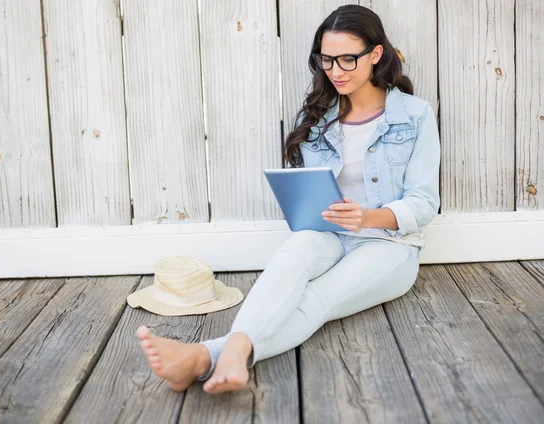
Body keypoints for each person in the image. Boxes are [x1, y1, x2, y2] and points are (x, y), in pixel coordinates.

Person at [136, 4, 440, 394]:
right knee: (290, 258)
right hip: (328, 234)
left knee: (317, 298)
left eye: (348, 58)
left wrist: (367, 217)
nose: (336, 71)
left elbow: (424, 202)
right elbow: (312, 194)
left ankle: (208, 356)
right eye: (327, 60)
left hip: (388, 245)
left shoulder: (414, 115)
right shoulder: (316, 117)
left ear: (376, 54)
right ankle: (222, 354)